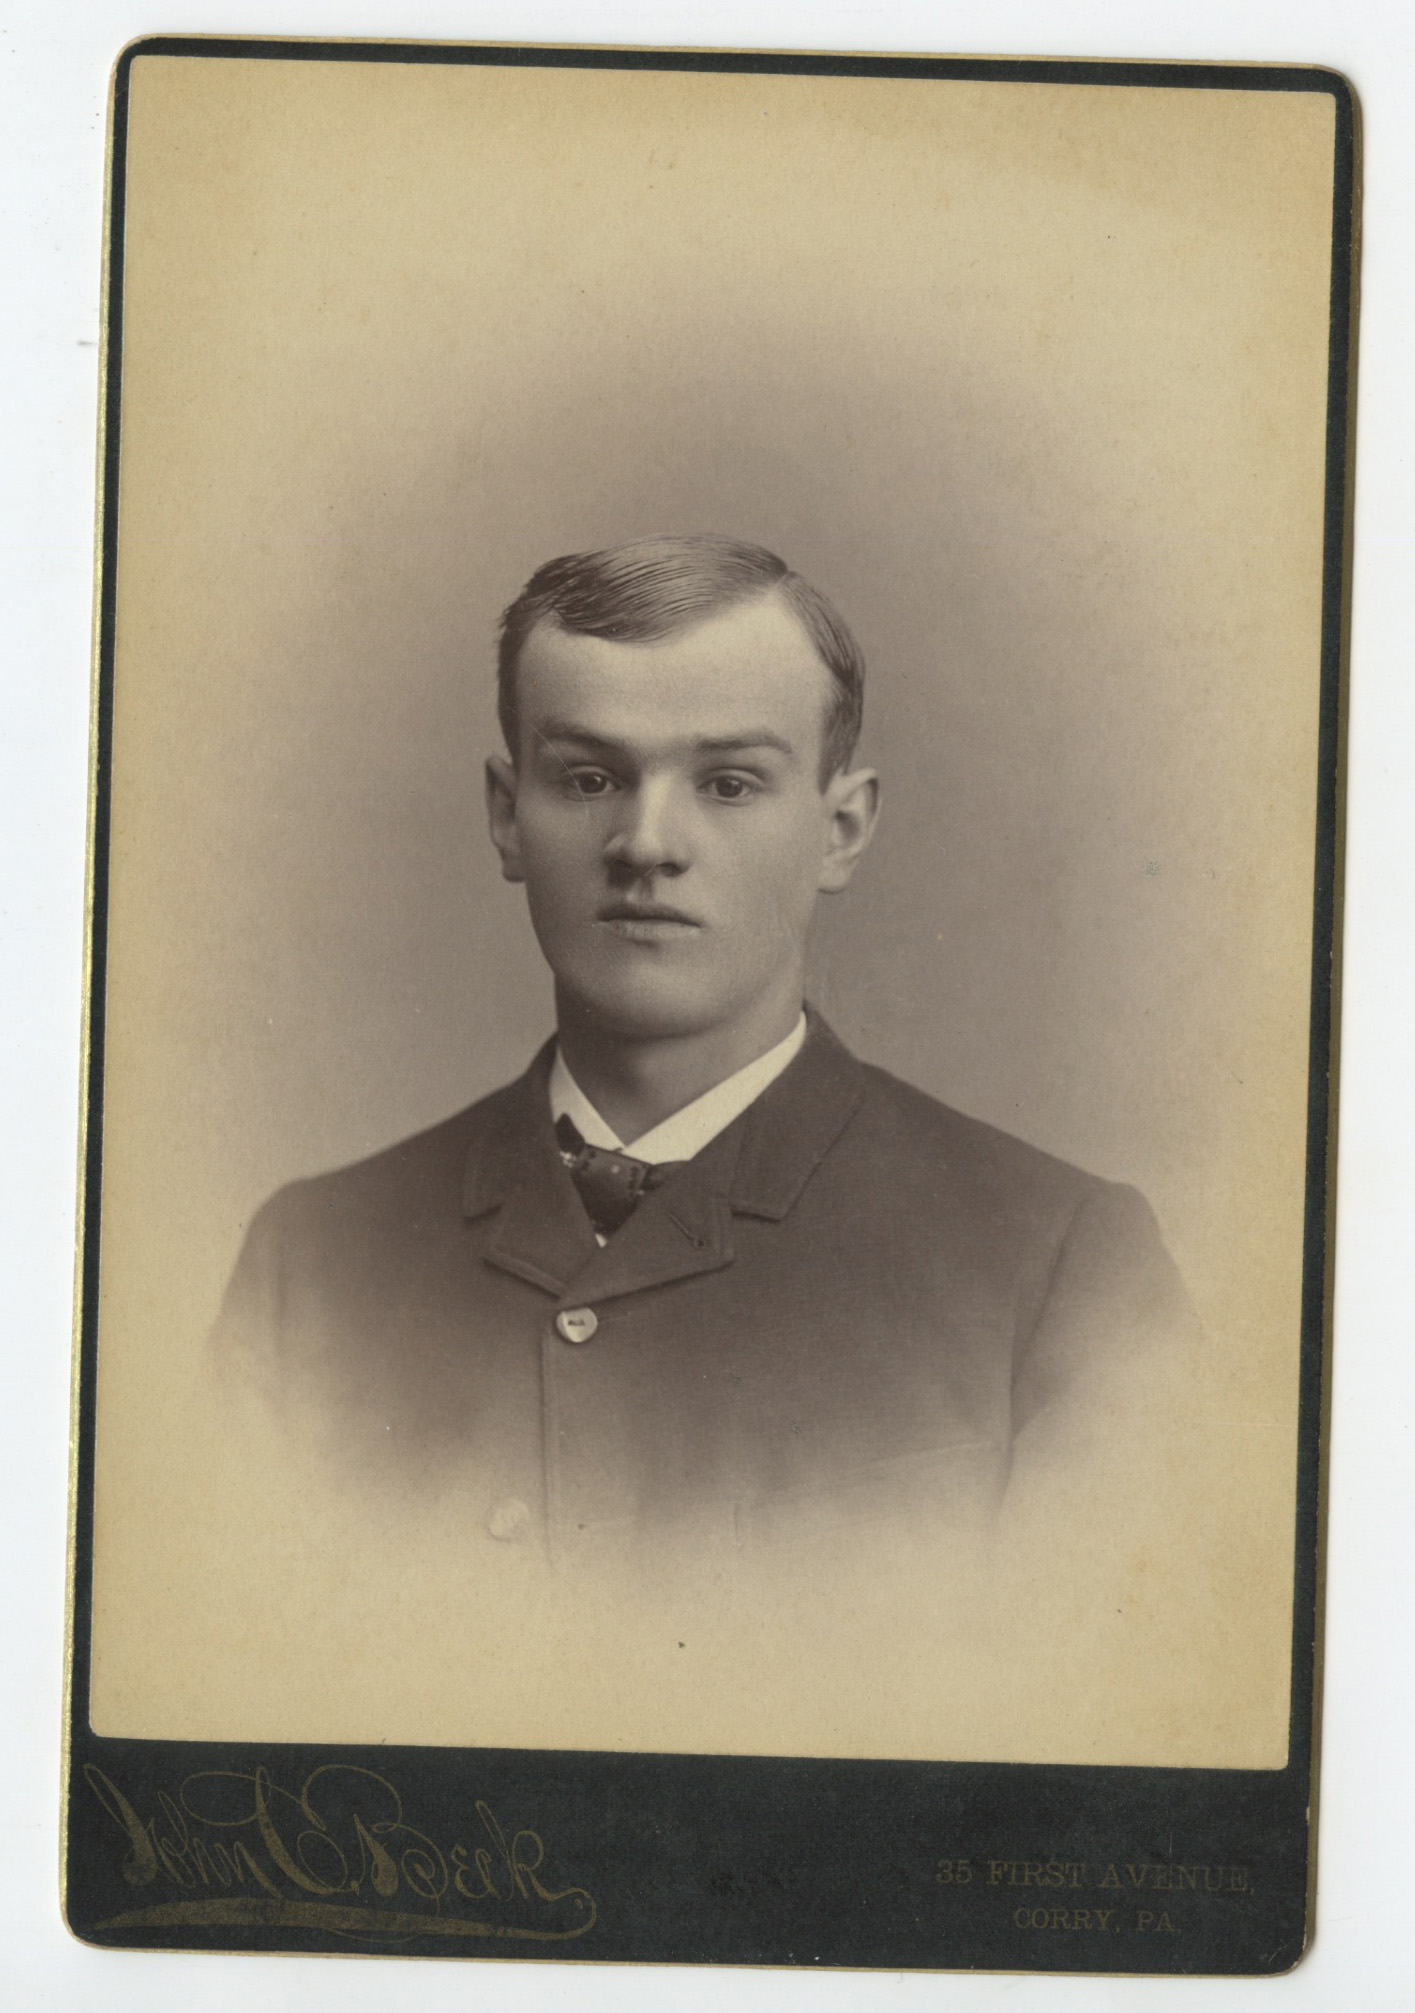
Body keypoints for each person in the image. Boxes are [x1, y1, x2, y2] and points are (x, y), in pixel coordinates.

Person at [213, 535, 1196, 1571]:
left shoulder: (1061, 1271)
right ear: (507, 817)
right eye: (589, 778)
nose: (646, 843)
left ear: (841, 830)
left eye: (727, 784)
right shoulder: (307, 1271)